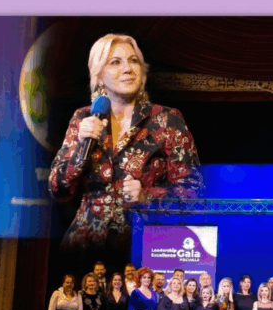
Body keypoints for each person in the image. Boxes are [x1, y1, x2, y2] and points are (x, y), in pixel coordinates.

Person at [48, 34, 202, 265]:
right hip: (84, 249)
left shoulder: (167, 120)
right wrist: (80, 146)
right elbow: (58, 190)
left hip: (145, 249)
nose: (128, 69)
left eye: (133, 61)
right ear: (99, 75)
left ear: (142, 72)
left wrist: (146, 196)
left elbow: (193, 194)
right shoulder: (83, 117)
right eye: (115, 62)